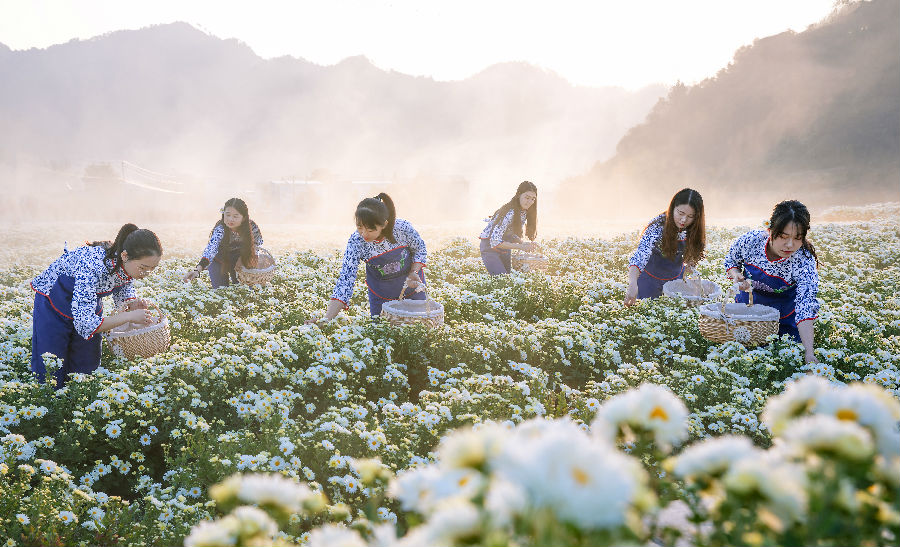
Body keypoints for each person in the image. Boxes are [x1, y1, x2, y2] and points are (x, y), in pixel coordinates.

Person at [30, 224, 162, 386]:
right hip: (54, 300)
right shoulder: (92, 266)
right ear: (125, 256)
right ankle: (50, 401)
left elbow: (124, 287)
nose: (146, 274)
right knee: (51, 357)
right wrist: (128, 316)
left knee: (87, 357)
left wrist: (131, 305)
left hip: (87, 301)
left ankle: (78, 400)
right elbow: (86, 324)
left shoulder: (125, 262)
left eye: (152, 269)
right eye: (143, 268)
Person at [725, 200, 820, 363]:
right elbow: (731, 260)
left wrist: (809, 353)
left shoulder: (804, 261)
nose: (790, 245)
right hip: (748, 311)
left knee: (784, 359)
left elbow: (805, 306)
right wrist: (736, 275)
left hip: (784, 317)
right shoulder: (751, 241)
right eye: (784, 236)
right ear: (770, 230)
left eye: (797, 238)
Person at [312, 193, 427, 322]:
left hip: (412, 290)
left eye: (370, 230)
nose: (364, 234)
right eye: (359, 227)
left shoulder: (402, 229)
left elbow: (420, 250)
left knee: (419, 327)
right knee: (383, 333)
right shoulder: (356, 241)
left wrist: (413, 272)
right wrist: (325, 320)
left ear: (384, 224)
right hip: (382, 297)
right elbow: (346, 280)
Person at [624, 188, 706, 306]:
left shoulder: (693, 228)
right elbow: (639, 257)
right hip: (650, 282)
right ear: (672, 207)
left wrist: (690, 264)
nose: (684, 220)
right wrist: (632, 284)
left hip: (675, 282)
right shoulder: (657, 226)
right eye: (680, 213)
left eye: (690, 216)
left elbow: (693, 254)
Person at [183, 198, 264, 288]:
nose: (230, 219)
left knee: (244, 291)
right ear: (223, 214)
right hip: (219, 261)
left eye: (235, 216)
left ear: (244, 217)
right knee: (220, 291)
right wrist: (197, 270)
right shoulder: (220, 228)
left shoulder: (252, 228)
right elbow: (210, 249)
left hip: (241, 262)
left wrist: (250, 264)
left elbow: (257, 247)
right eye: (228, 215)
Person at [479, 181, 539, 275]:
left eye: (533, 199)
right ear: (519, 195)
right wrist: (521, 246)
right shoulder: (509, 212)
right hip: (490, 247)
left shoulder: (523, 212)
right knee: (501, 279)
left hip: (505, 247)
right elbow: (495, 241)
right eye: (527, 197)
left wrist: (523, 243)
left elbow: (510, 233)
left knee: (507, 280)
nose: (530, 202)